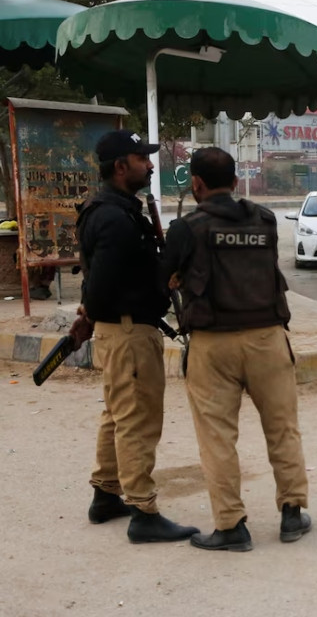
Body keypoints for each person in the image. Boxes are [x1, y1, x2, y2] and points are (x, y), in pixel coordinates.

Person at [162, 147, 310, 552]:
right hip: (268, 338)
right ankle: (292, 514)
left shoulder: (186, 228)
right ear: (234, 179)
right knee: (282, 429)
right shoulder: (265, 220)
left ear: (196, 184)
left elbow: (164, 278)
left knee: (217, 439)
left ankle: (231, 526)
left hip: (213, 344)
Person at [75, 129, 199, 544]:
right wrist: (89, 313)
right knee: (137, 421)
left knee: (117, 415)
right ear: (120, 166)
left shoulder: (116, 209)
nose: (149, 165)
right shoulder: (113, 216)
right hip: (127, 332)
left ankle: (107, 493)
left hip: (122, 328)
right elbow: (102, 284)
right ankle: (143, 511)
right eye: (141, 159)